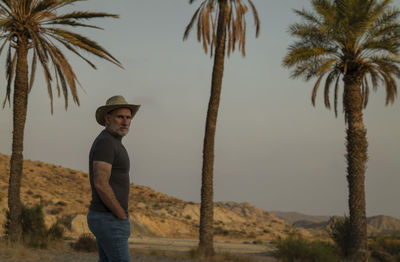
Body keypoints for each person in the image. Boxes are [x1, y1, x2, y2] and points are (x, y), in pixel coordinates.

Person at [87, 95, 140, 262]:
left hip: (108, 218)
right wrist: (121, 215)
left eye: (128, 117)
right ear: (108, 118)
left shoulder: (113, 142)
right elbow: (101, 183)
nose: (125, 121)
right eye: (120, 117)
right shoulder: (107, 143)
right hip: (109, 218)